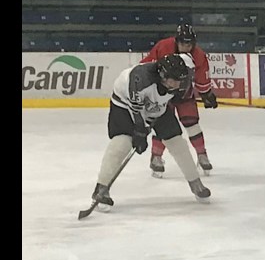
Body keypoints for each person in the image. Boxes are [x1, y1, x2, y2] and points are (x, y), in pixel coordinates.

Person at [86, 54, 210, 211]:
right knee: (122, 142)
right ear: (163, 75)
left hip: (157, 107)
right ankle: (101, 188)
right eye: (174, 80)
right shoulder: (140, 79)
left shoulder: (179, 79)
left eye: (181, 79)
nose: (178, 84)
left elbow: (173, 98)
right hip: (124, 104)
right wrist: (140, 132)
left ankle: (195, 183)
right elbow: (136, 109)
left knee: (176, 141)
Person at [140, 24, 217, 177]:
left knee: (192, 123)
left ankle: (202, 155)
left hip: (184, 94)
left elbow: (202, 78)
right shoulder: (163, 47)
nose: (186, 46)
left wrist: (207, 95)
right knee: (163, 126)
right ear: (177, 41)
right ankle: (156, 156)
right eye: (183, 43)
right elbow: (147, 66)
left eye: (189, 43)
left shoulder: (199, 55)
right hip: (163, 94)